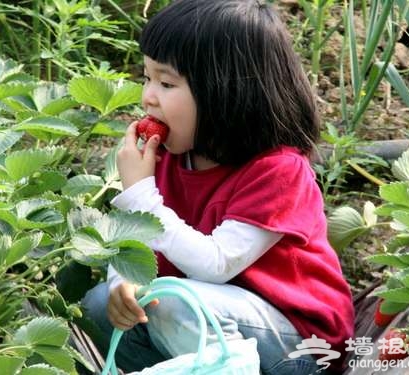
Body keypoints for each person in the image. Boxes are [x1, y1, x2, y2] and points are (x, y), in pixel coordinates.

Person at [82, 1, 355, 374]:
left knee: (177, 302)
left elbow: (216, 265)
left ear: (226, 92)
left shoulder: (278, 171)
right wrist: (122, 282)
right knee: (103, 305)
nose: (147, 96)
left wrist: (140, 195)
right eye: (146, 78)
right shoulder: (169, 158)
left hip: (299, 345)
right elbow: (136, 243)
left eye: (166, 83)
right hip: (201, 322)